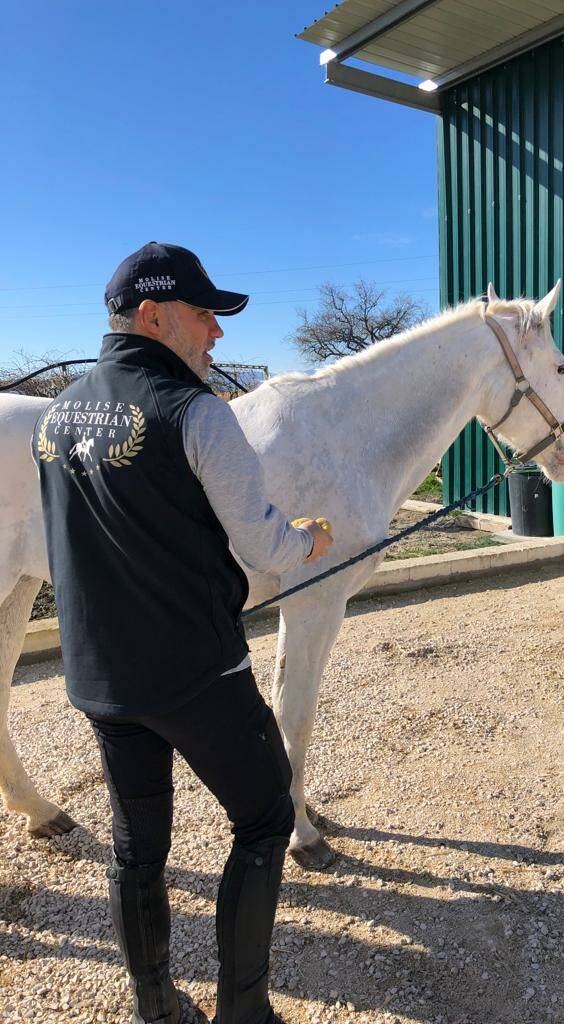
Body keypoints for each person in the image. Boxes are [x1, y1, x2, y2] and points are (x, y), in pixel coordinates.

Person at [32, 241, 333, 1024]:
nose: (217, 334)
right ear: (152, 314)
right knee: (266, 819)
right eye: (205, 315)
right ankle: (245, 1013)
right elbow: (264, 545)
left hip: (103, 680)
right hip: (199, 676)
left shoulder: (60, 413)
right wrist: (309, 539)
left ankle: (157, 1009)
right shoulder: (195, 412)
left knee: (137, 847)